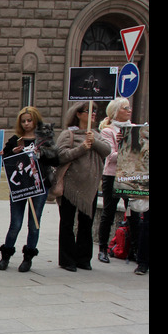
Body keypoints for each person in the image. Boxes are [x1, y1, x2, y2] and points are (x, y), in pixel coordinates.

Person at [0, 107, 59, 272]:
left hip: (39, 186)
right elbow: (5, 159)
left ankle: (28, 258)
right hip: (20, 187)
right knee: (15, 223)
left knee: (34, 223)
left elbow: (55, 158)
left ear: (35, 120)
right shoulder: (16, 139)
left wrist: (40, 153)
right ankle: (6, 255)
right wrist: (11, 152)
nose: (26, 124)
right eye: (23, 121)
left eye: (29, 120)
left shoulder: (44, 139)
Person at [53, 102, 111, 271]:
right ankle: (67, 259)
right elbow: (61, 156)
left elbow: (106, 150)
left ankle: (84, 258)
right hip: (70, 187)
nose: (93, 114)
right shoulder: (68, 134)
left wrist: (93, 142)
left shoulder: (96, 135)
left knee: (86, 223)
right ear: (78, 114)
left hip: (90, 187)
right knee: (67, 223)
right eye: (89, 111)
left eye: (95, 112)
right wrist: (82, 147)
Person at [97, 97, 132, 264]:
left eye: (129, 107)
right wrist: (125, 146)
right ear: (116, 112)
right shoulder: (108, 131)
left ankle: (133, 249)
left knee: (133, 212)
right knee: (108, 212)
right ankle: (102, 248)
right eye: (125, 108)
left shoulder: (134, 129)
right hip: (112, 175)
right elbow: (110, 157)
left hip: (131, 176)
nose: (129, 110)